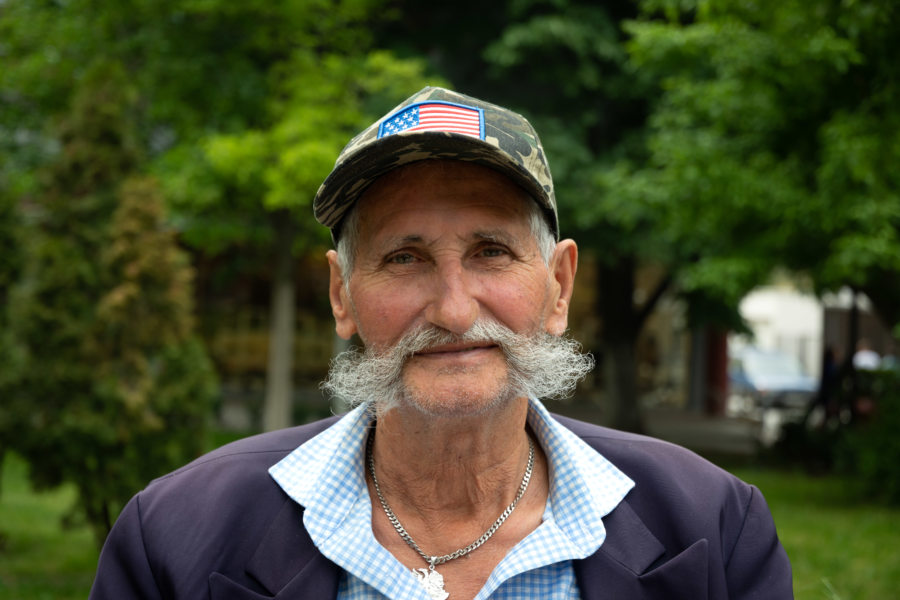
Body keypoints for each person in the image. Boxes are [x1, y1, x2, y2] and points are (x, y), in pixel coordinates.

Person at [90, 87, 793, 599]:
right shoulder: (174, 538)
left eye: (490, 251)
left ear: (559, 286)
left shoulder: (716, 531)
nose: (455, 311)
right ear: (342, 295)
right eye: (404, 258)